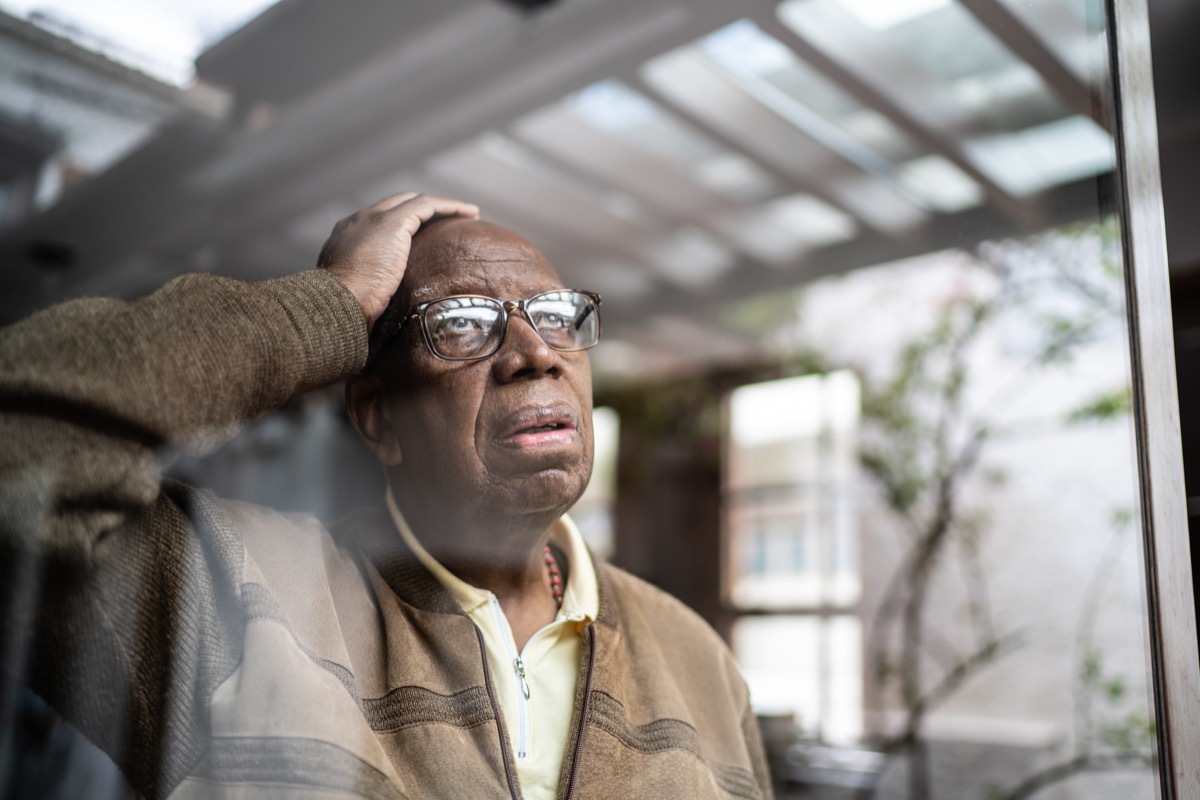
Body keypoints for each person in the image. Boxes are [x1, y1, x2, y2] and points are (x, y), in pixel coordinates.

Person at [0, 193, 772, 799]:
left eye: (557, 315)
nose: (536, 355)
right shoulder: (235, 599)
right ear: (378, 417)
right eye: (463, 325)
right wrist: (324, 304)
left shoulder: (696, 659)